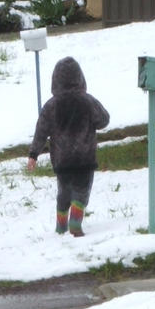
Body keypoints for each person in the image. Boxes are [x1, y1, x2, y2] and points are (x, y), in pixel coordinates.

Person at [25, 55, 109, 237]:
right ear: (80, 78)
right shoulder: (88, 101)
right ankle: (75, 224)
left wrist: (33, 154)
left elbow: (41, 131)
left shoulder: (51, 106)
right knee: (81, 191)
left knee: (63, 193)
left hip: (62, 159)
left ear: (55, 80)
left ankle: (61, 226)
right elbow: (103, 120)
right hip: (84, 157)